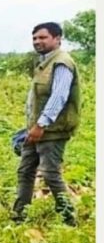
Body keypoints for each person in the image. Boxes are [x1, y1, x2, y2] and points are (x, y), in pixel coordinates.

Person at [12, 22, 81, 226]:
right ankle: (18, 217)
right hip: (35, 130)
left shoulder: (62, 63)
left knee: (51, 174)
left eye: (43, 37)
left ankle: (69, 220)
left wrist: (41, 124)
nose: (37, 41)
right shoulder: (44, 63)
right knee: (25, 171)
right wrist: (31, 126)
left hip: (52, 131)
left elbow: (59, 97)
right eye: (35, 38)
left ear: (57, 38)